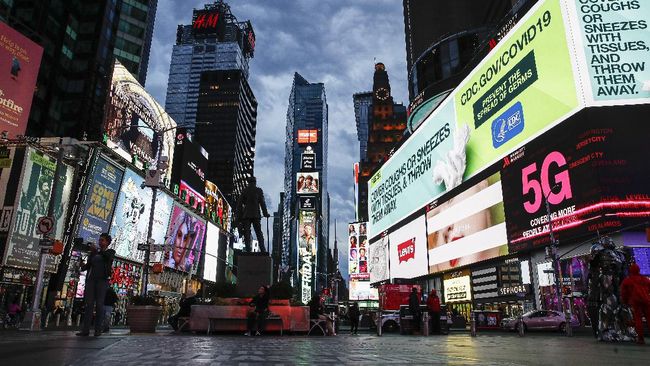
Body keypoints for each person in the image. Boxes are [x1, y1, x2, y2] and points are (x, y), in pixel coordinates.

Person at [77, 233, 115, 337]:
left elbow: (107, 257)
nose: (100, 242)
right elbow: (86, 267)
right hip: (91, 280)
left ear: (107, 242)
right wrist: (81, 264)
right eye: (100, 240)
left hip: (102, 281)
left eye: (102, 240)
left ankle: (98, 330)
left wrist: (98, 250)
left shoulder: (110, 252)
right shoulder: (94, 254)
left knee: (99, 305)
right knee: (89, 305)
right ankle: (85, 330)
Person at [236, 177, 270, 253]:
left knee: (247, 233)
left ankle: (248, 250)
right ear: (255, 182)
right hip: (255, 214)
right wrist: (265, 213)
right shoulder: (258, 190)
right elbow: (262, 203)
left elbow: (239, 204)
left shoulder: (245, 191)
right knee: (258, 233)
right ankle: (263, 250)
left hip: (246, 215)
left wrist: (238, 217)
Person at [621, 263, 650, 344]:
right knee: (649, 318)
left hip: (636, 302)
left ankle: (641, 338)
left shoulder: (627, 280)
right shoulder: (645, 279)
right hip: (646, 301)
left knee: (638, 319)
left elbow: (624, 293)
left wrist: (625, 301)